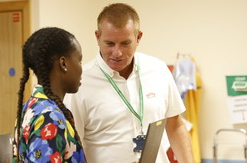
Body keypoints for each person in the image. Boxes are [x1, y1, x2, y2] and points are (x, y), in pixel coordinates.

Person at [64, 3, 194, 163]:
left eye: (125, 43)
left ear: (138, 37)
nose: (117, 53)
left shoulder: (158, 69)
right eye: (109, 43)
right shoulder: (80, 82)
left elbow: (175, 126)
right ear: (97, 37)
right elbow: (72, 146)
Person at [12, 27, 85, 163]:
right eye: (79, 60)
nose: (82, 69)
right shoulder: (49, 116)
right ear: (64, 63)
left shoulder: (31, 107)